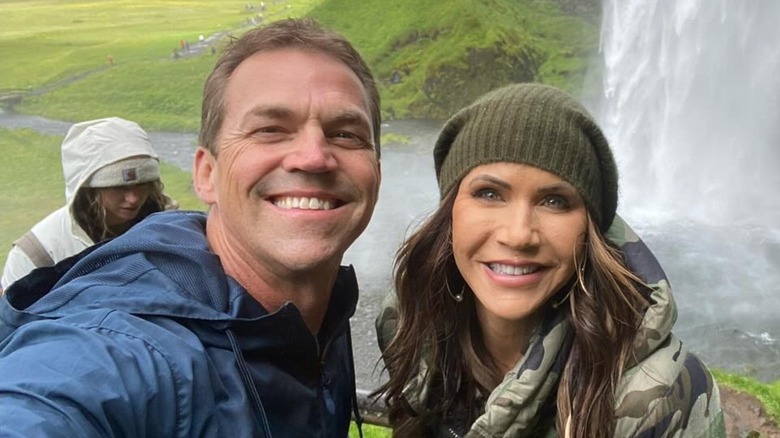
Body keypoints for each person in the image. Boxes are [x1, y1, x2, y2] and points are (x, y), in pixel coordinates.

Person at [0, 18, 381, 437]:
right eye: (269, 130)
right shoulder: (126, 350)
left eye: (345, 134)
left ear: (377, 172)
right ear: (206, 174)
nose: (313, 157)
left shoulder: (321, 308)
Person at [374, 84, 725, 437]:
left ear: (591, 230)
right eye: (489, 194)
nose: (518, 234)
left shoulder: (662, 394)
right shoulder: (410, 329)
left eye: (555, 201)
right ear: (450, 210)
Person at [1, 116, 176, 291]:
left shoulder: (174, 230)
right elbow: (13, 318)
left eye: (142, 184)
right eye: (118, 187)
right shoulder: (38, 254)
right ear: (88, 190)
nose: (133, 198)